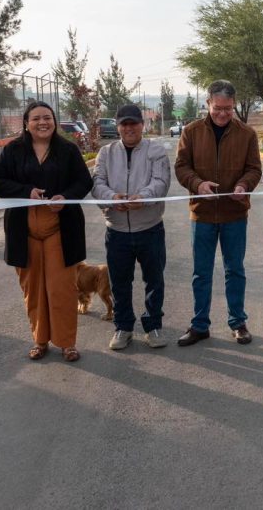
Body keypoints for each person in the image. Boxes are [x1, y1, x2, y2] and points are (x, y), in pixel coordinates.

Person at [0, 101, 93, 361]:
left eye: (47, 117)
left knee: (61, 288)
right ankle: (40, 339)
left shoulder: (68, 150)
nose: (42, 122)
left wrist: (65, 197)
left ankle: (67, 343)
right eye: (36, 118)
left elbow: (84, 181)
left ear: (54, 121)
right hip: (24, 231)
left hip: (60, 228)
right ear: (26, 123)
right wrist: (26, 192)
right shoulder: (13, 150)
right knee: (33, 289)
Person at [173, 80, 262, 346]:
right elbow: (181, 167)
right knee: (201, 272)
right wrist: (197, 184)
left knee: (235, 270)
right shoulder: (191, 132)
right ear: (208, 103)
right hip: (202, 215)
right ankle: (200, 325)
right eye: (218, 108)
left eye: (228, 109)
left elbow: (254, 169)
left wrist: (243, 185)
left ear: (234, 106)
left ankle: (238, 323)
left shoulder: (247, 134)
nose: (223, 114)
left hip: (235, 214)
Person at [92, 103, 172, 350]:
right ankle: (123, 327)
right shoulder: (106, 153)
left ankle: (153, 326)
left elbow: (161, 182)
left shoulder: (156, 151)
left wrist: (143, 197)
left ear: (142, 125)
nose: (129, 128)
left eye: (133, 123)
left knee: (154, 281)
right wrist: (112, 198)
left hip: (150, 229)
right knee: (119, 283)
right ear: (118, 127)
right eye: (124, 124)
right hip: (116, 231)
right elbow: (97, 182)